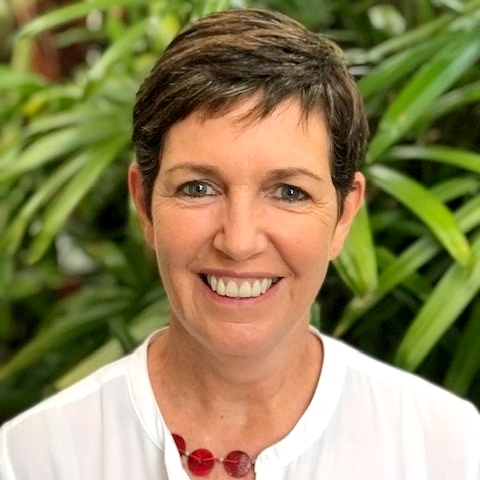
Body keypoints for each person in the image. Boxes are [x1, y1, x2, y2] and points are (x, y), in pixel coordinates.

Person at [1, 8, 479, 480]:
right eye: (198, 188)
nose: (240, 241)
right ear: (144, 204)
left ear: (343, 216)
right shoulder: (32, 459)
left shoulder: (448, 449)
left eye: (290, 192)